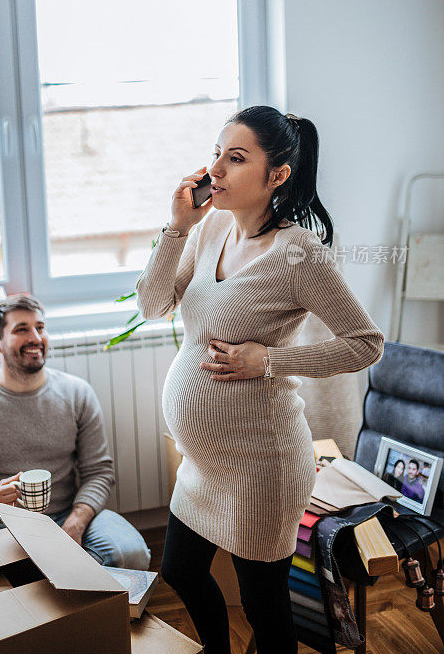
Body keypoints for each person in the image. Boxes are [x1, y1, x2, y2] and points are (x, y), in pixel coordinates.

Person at [135, 106, 385, 654]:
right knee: (179, 569)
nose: (216, 170)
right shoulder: (212, 227)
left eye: (237, 158)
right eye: (216, 154)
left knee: (264, 608)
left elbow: (366, 344)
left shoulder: (300, 256)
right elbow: (153, 304)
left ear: (278, 176)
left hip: (261, 468)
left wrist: (269, 359)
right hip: (204, 465)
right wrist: (176, 228)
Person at [0, 294, 150, 570]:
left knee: (131, 554)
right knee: (19, 580)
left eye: (41, 327)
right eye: (22, 329)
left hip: (69, 514)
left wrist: (75, 523)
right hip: (0, 525)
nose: (36, 337)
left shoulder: (76, 393)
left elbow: (99, 473)